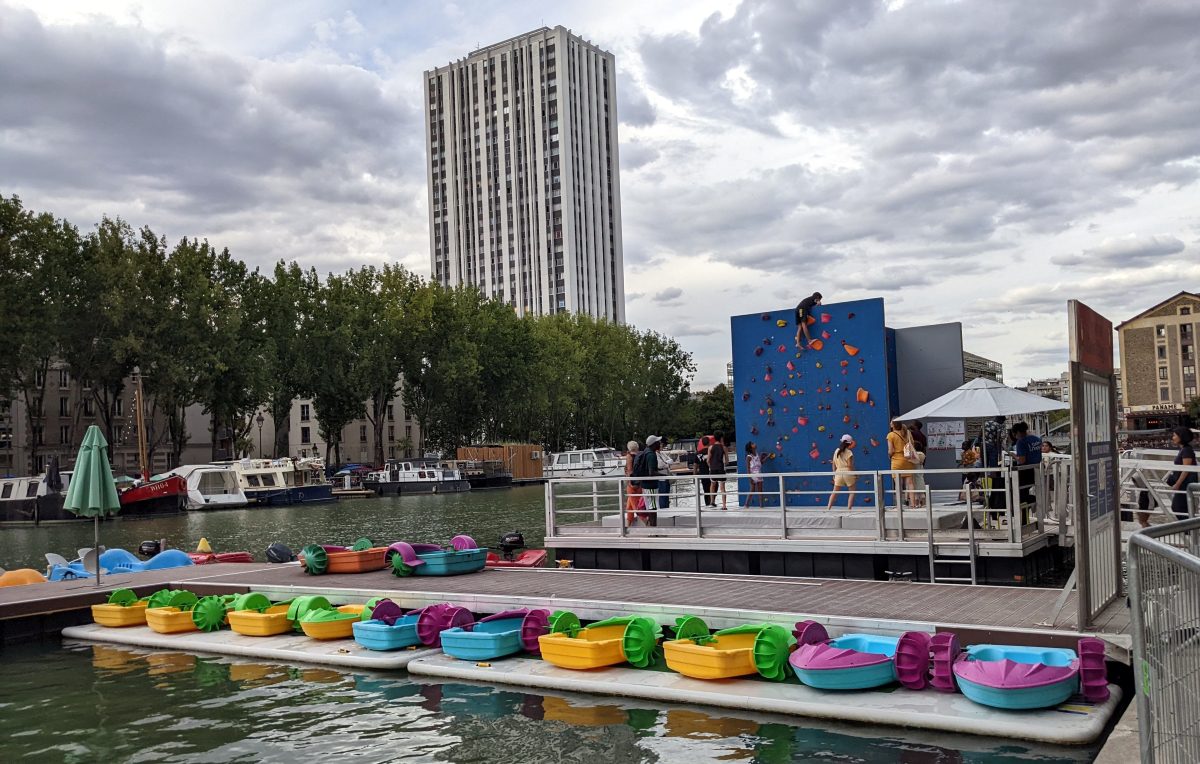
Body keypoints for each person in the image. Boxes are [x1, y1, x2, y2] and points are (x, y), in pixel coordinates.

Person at [1167, 426, 1197, 519]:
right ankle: (1187, 530)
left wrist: (1177, 484)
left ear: (1181, 436)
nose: (1173, 438)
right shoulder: (1183, 449)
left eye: (1174, 435)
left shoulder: (1187, 450)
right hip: (1184, 484)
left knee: (1179, 507)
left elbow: (1186, 469)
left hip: (1185, 484)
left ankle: (1187, 530)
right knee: (1179, 507)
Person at [886, 419, 917, 507]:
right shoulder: (907, 433)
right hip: (908, 460)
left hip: (897, 461)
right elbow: (912, 445)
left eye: (891, 422)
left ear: (893, 425)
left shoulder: (890, 435)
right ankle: (913, 504)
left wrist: (889, 455)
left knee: (898, 484)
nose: (889, 423)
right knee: (910, 483)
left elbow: (890, 450)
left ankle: (899, 505)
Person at [1012, 422, 1042, 507]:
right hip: (1037, 468)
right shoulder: (1037, 439)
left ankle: (1031, 502)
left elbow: (1022, 460)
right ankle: (1031, 504)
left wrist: (1014, 456)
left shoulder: (1021, 442)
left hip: (1026, 471)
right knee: (1025, 491)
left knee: (1019, 493)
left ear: (1017, 432)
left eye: (1014, 434)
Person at [981, 415, 1007, 510]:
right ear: (1001, 420)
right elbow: (998, 439)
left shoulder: (985, 423)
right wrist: (999, 452)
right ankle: (994, 486)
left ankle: (983, 486)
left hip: (983, 445)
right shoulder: (998, 425)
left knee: (984, 466)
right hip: (992, 446)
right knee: (994, 468)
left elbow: (980, 435)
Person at [828, 434, 857, 510]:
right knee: (852, 492)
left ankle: (828, 508)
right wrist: (855, 474)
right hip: (847, 473)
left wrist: (834, 474)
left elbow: (834, 464)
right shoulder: (849, 452)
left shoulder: (836, 451)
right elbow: (850, 466)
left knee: (834, 492)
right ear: (850, 443)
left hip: (838, 472)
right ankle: (849, 509)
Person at [624, 440, 644, 527]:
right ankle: (628, 526)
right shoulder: (640, 455)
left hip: (632, 485)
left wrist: (629, 481)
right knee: (629, 507)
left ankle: (649, 525)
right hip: (639, 483)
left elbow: (629, 470)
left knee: (636, 506)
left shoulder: (629, 456)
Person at [907, 422, 927, 508]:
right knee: (920, 480)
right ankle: (922, 501)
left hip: (914, 467)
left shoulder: (912, 433)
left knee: (913, 483)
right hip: (920, 465)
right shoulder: (923, 436)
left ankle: (914, 501)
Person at [708, 431, 729, 510]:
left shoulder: (710, 447)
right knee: (722, 487)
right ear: (721, 438)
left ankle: (712, 502)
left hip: (713, 469)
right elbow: (727, 461)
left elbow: (708, 460)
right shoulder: (724, 447)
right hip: (721, 468)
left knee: (712, 484)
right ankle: (724, 505)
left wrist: (711, 466)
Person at [959, 438, 981, 504]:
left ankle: (978, 494)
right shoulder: (963, 453)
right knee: (963, 482)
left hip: (970, 469)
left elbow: (974, 459)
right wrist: (961, 463)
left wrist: (968, 462)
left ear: (968, 446)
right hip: (965, 469)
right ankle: (962, 496)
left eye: (964, 445)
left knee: (973, 481)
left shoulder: (970, 452)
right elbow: (963, 460)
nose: (962, 447)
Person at [745, 441, 764, 508]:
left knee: (760, 490)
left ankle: (761, 505)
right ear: (750, 447)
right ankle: (746, 505)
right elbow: (747, 468)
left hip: (759, 474)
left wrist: (765, 457)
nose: (754, 444)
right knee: (752, 489)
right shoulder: (749, 457)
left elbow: (760, 463)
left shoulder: (757, 454)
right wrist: (749, 478)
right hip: (753, 475)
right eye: (752, 444)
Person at [696, 435, 714, 507]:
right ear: (709, 442)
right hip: (712, 473)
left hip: (703, 474)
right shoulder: (712, 451)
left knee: (706, 490)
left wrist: (694, 475)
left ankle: (707, 504)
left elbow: (695, 465)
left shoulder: (698, 453)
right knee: (714, 488)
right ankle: (712, 502)